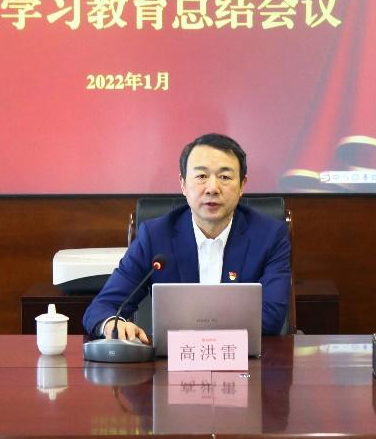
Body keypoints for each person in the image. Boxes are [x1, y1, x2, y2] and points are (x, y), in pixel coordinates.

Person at [83, 133, 291, 341]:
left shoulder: (269, 236)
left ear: (242, 186)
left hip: (245, 357)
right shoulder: (155, 236)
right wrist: (112, 323)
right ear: (183, 184)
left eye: (225, 177)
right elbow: (102, 308)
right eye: (201, 176)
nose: (212, 188)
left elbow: (271, 318)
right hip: (171, 358)